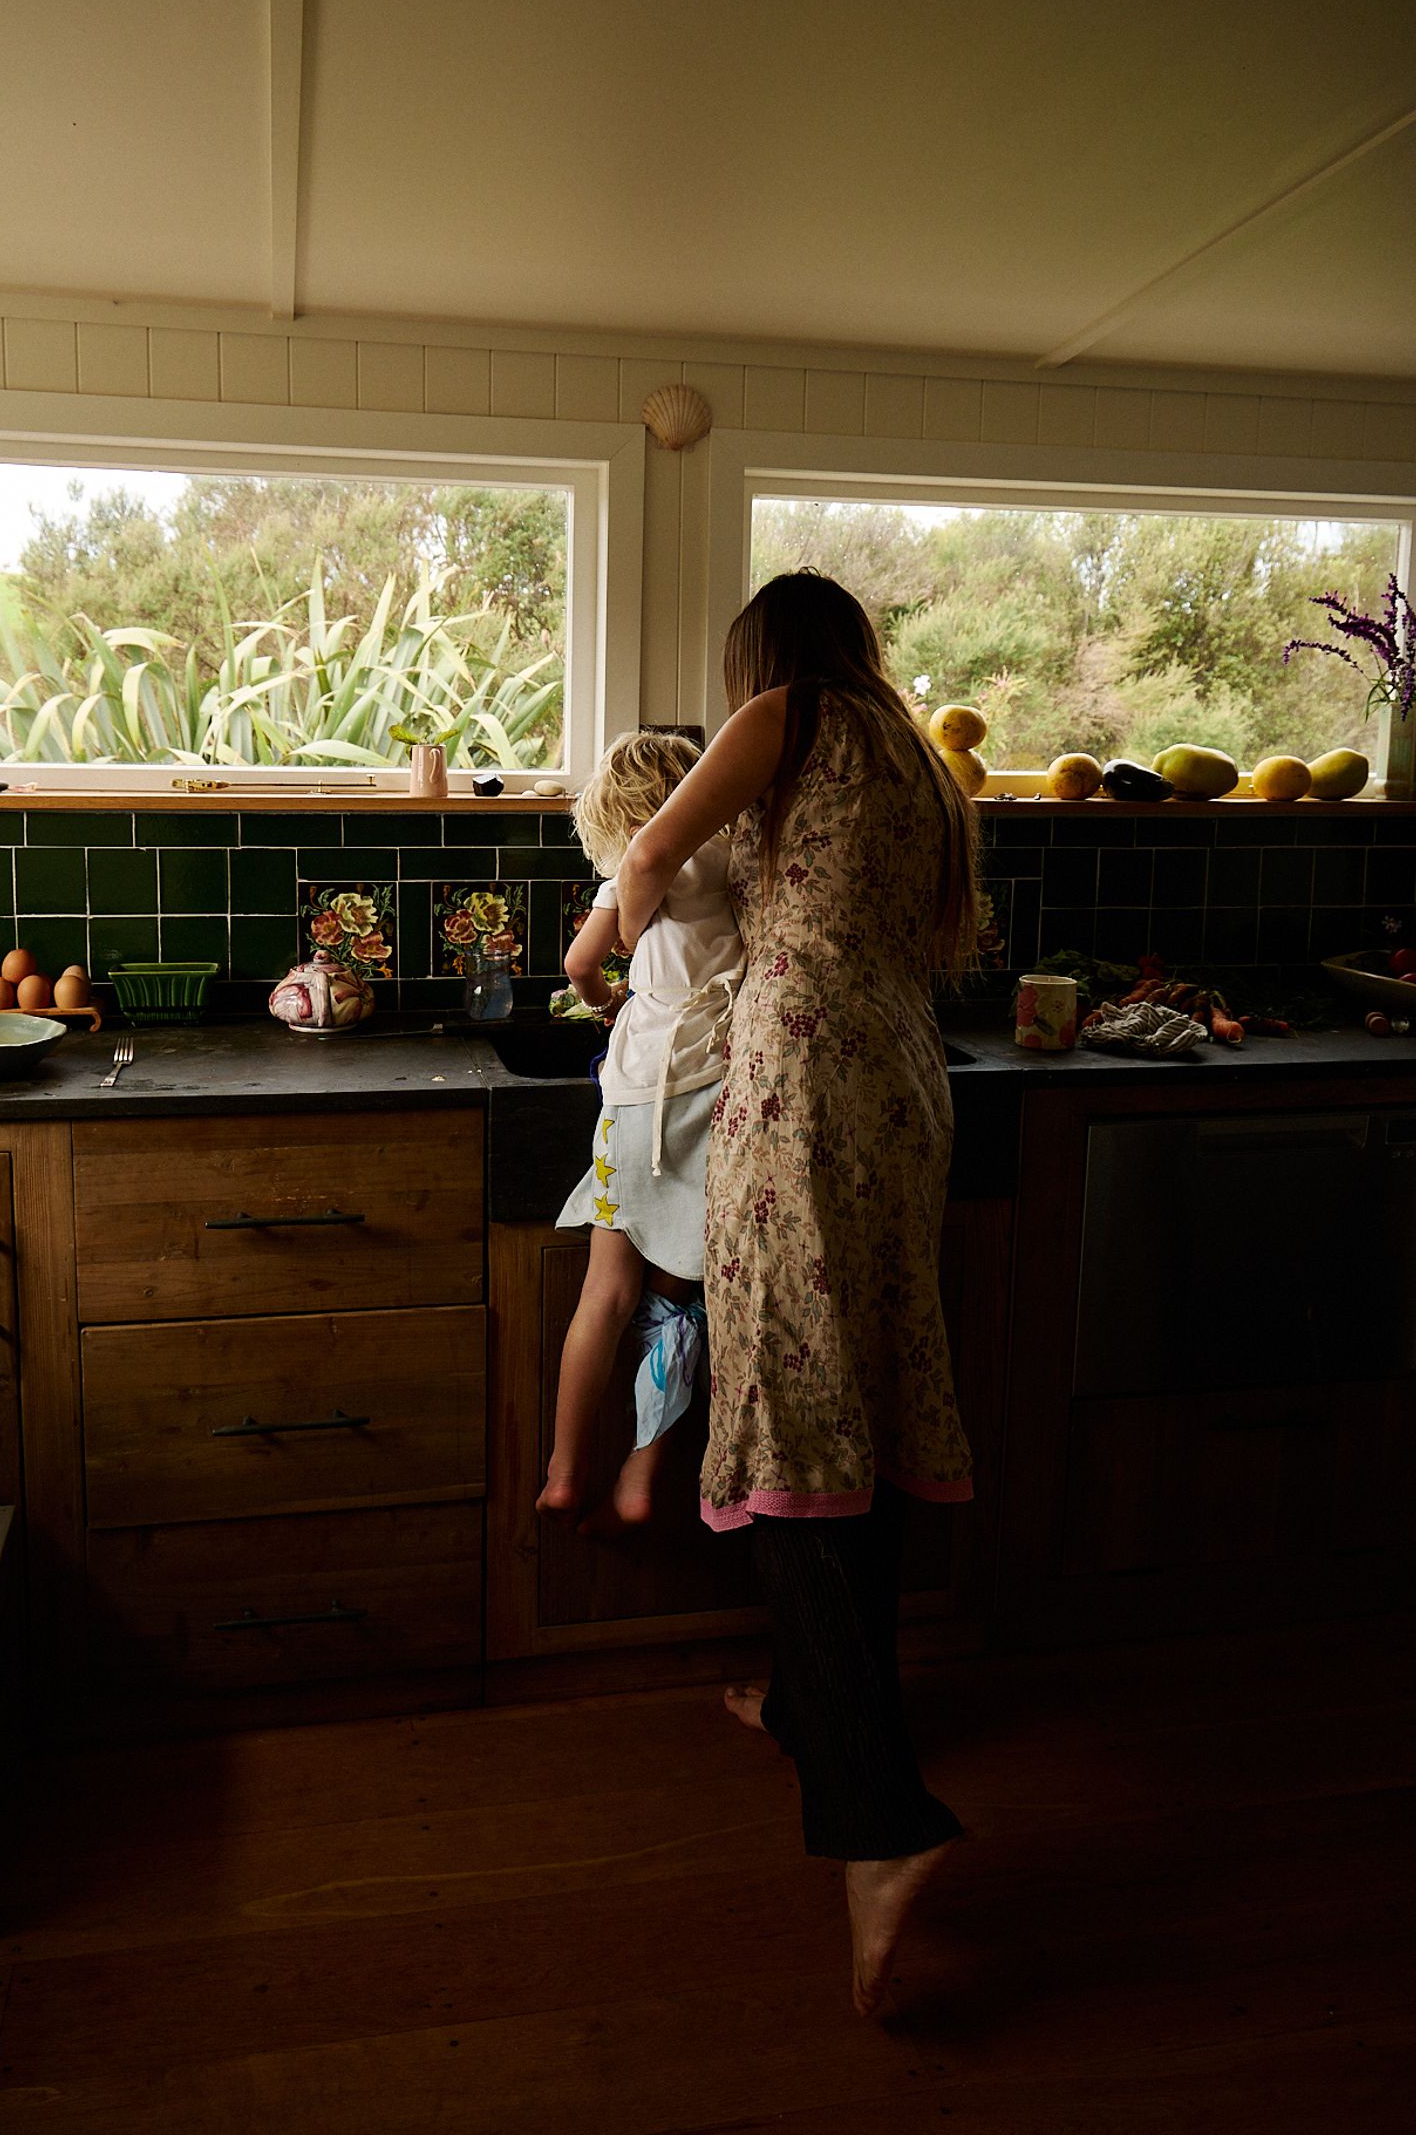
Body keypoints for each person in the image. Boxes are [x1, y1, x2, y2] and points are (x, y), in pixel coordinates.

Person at [613, 571, 981, 2017]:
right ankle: (809, 1708)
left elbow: (648, 860)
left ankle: (881, 1825)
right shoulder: (913, 749)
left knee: (792, 1402)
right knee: (859, 1397)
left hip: (806, 1078)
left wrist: (600, 969)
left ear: (761, 657)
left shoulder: (784, 715)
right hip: (900, 1079)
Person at [540, 730, 744, 1533]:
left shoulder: (631, 865)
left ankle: (563, 1471)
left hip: (637, 1099)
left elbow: (579, 965)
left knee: (604, 1297)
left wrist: (607, 1000)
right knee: (677, 1303)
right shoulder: (729, 856)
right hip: (718, 1090)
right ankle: (641, 1470)